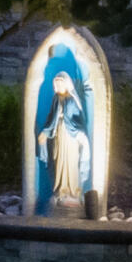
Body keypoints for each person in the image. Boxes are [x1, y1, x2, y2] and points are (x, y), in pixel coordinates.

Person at [35, 70, 92, 217]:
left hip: (71, 137)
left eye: (61, 83)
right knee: (58, 161)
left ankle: (72, 191)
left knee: (70, 163)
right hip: (58, 135)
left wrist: (79, 134)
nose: (58, 86)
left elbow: (78, 120)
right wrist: (46, 132)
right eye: (56, 83)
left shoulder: (72, 100)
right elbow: (51, 118)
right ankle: (61, 190)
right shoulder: (56, 99)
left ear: (66, 84)